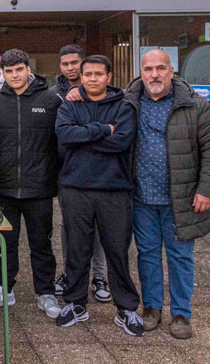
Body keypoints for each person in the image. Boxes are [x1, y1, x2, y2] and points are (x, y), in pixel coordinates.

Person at [124, 48, 210, 339]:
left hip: (182, 199)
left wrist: (207, 190)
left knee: (180, 257)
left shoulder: (194, 105)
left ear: (172, 71)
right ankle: (152, 308)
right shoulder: (130, 102)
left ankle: (181, 313)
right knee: (147, 255)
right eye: (148, 69)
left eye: (160, 68)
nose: (154, 74)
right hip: (142, 197)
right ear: (140, 73)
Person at [54, 55, 143, 336]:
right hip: (75, 187)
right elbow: (65, 136)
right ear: (80, 76)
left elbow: (122, 142)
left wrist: (85, 138)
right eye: (87, 74)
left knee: (117, 249)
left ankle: (126, 308)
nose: (92, 79)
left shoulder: (124, 106)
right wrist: (103, 130)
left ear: (109, 76)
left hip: (114, 189)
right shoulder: (70, 103)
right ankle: (75, 303)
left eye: (98, 74)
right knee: (77, 248)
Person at [0, 49, 62, 318]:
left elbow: (59, 142)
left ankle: (46, 293)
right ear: (2, 73)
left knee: (41, 244)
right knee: (6, 243)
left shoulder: (50, 100)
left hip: (39, 187)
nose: (14, 75)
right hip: (3, 187)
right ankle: (5, 289)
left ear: (28, 69)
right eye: (9, 71)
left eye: (19, 70)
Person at [50, 44, 111, 304]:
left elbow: (114, 131)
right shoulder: (54, 95)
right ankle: (70, 273)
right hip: (68, 169)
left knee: (99, 227)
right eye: (65, 64)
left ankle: (99, 276)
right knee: (69, 227)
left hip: (100, 169)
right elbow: (60, 133)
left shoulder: (104, 93)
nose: (70, 68)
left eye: (75, 62)